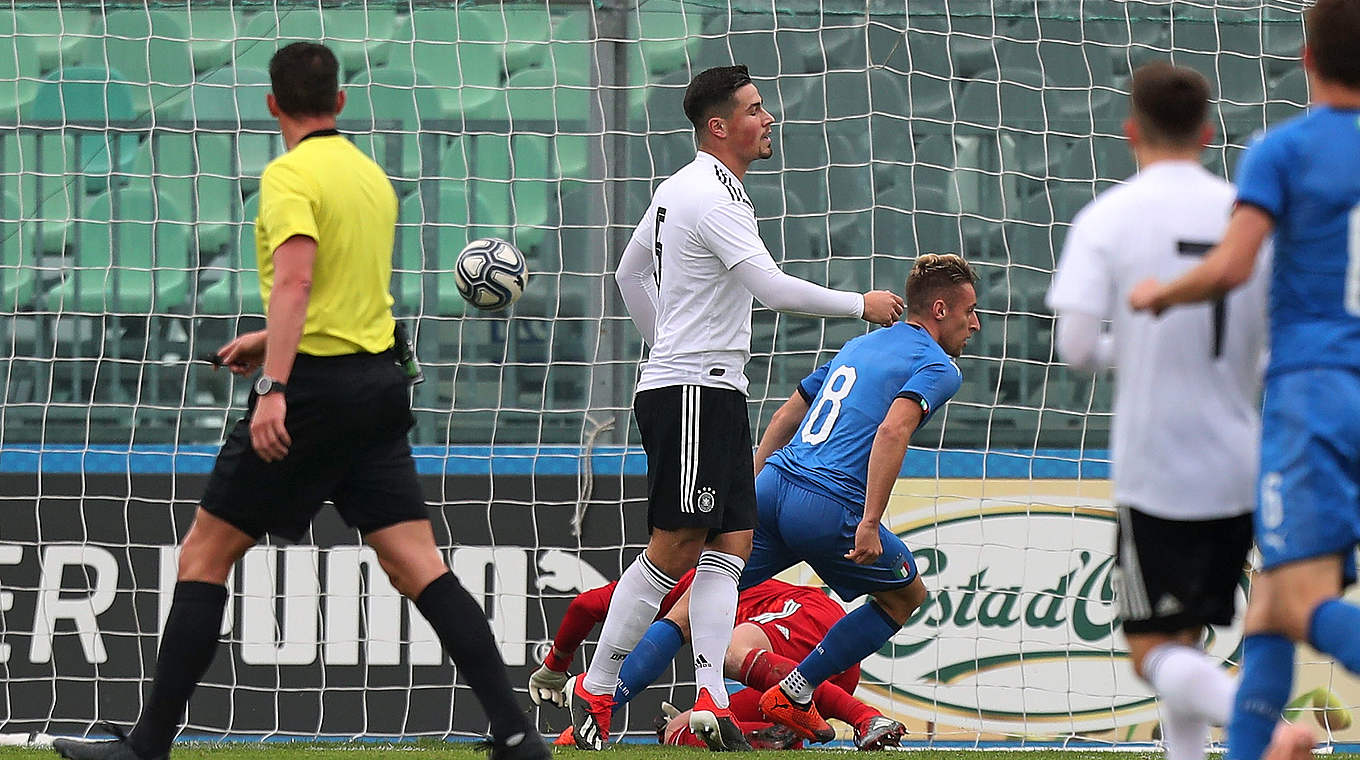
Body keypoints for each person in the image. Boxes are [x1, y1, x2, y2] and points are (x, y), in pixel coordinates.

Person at [50, 43, 547, 760]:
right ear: (340, 103)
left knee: (204, 553)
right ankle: (518, 733)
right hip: (376, 387)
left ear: (272, 105)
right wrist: (267, 339)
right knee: (417, 563)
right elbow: (349, 294)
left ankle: (147, 746)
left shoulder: (289, 176)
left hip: (313, 392)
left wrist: (274, 384)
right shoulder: (371, 178)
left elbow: (298, 282)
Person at [577, 64, 904, 752]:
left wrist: (663, 339)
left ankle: (711, 698)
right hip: (693, 389)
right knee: (672, 553)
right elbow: (770, 287)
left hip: (710, 389)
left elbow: (629, 273)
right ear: (719, 126)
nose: (769, 118)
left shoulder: (683, 189)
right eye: (755, 109)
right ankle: (597, 687)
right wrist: (860, 306)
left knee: (729, 549)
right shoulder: (708, 194)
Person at [1128, 2, 1360, 758]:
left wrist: (1158, 295)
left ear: (1307, 57)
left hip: (1315, 391)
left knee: (1297, 601)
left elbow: (1231, 266)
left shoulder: (1283, 149)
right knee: (1267, 607)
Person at [1047, 61, 1267, 760]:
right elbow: (1273, 346)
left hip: (1157, 467)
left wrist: (1139, 343)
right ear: (1208, 131)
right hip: (1239, 462)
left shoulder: (1107, 217)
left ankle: (1262, 727)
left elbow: (1077, 348)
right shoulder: (1248, 218)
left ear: (1130, 130)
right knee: (1189, 640)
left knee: (1151, 648)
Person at [740, 253, 979, 742]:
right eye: (968, 311)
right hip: (826, 507)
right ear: (939, 309)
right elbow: (892, 430)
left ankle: (601, 691)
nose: (975, 323)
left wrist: (755, 476)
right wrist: (869, 521)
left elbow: (790, 409)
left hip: (775, 484)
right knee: (905, 595)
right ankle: (797, 688)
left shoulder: (859, 344)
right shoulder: (938, 366)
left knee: (699, 593)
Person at [529, 571, 906, 750]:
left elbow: (585, 605)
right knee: (682, 731)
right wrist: (557, 665)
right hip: (815, 673)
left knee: (726, 654)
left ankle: (865, 717)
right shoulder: (681, 575)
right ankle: (781, 735)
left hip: (806, 620)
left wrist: (558, 666)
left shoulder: (670, 579)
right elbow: (584, 606)